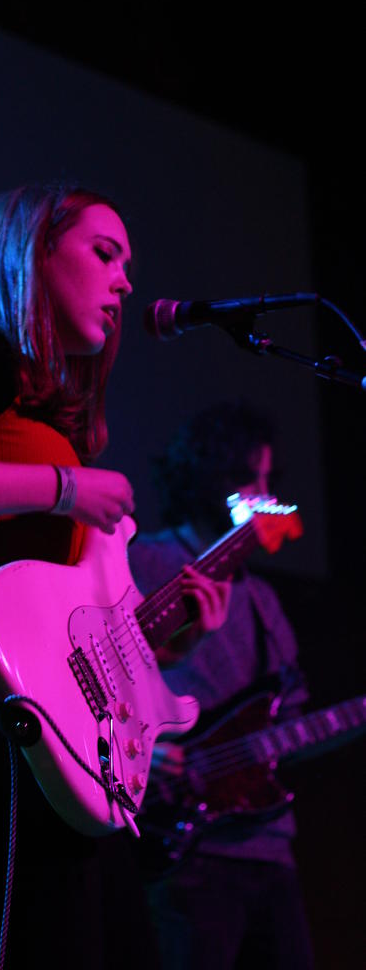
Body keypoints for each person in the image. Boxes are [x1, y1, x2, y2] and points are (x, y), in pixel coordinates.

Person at [0, 184, 230, 970]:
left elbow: (61, 639)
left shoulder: (42, 423)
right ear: (33, 251)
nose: (125, 281)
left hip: (43, 746)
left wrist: (167, 637)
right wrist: (64, 489)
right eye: (103, 252)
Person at [126, 399, 315, 969]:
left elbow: (291, 710)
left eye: (267, 479)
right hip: (189, 847)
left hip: (270, 848)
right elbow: (103, 675)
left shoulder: (261, 597)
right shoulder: (151, 562)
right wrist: (142, 754)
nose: (262, 494)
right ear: (212, 478)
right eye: (247, 478)